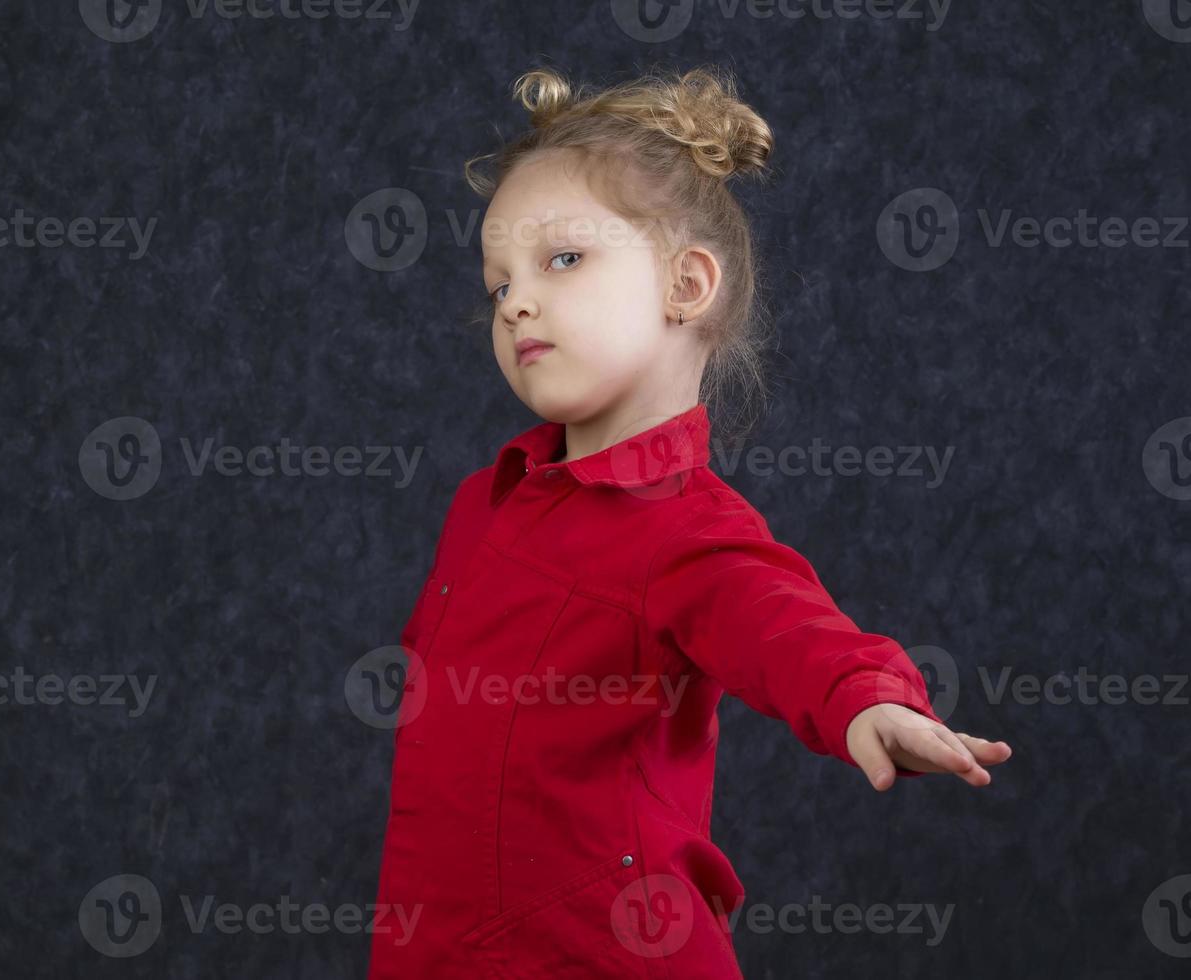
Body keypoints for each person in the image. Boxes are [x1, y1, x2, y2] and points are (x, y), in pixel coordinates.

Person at [368, 64, 1012, 979]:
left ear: (686, 284)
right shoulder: (486, 501)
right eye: (496, 282)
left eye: (562, 259)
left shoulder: (682, 529)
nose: (514, 303)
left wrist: (865, 698)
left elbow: (779, 620)